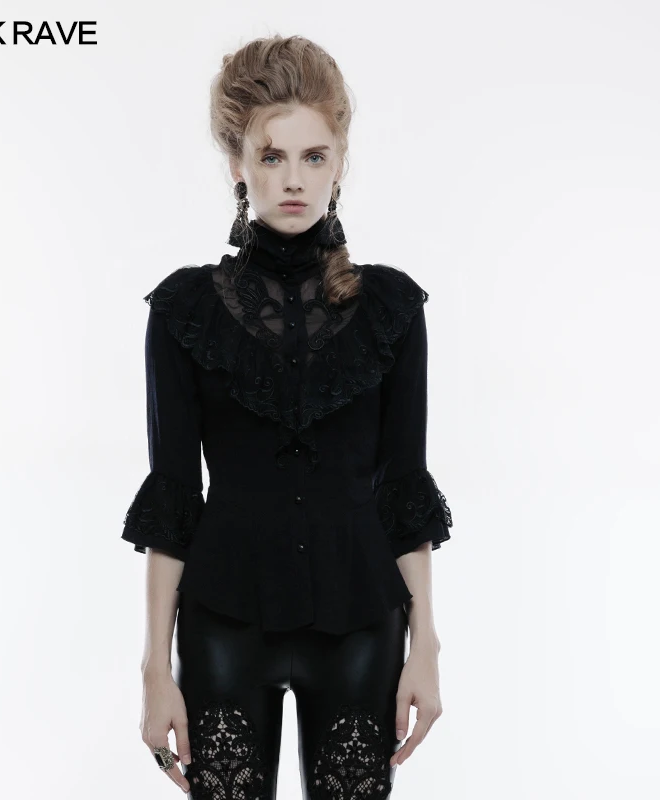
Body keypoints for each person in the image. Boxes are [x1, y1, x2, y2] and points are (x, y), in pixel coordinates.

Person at [121, 34, 454, 799]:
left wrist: (427, 645)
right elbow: (173, 498)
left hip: (363, 622)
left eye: (314, 156)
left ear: (340, 162)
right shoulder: (184, 310)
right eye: (272, 156)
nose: (294, 179)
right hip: (224, 621)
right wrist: (154, 670)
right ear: (237, 163)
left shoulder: (391, 309)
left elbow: (404, 488)